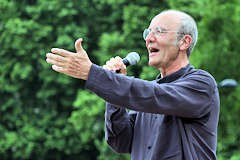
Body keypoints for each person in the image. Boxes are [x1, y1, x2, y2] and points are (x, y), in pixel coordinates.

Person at [46, 10, 220, 160]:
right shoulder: (147, 95)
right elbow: (121, 141)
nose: (149, 39)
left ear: (184, 42)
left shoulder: (202, 84)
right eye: (147, 33)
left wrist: (93, 73)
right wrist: (114, 91)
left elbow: (155, 96)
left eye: (159, 31)